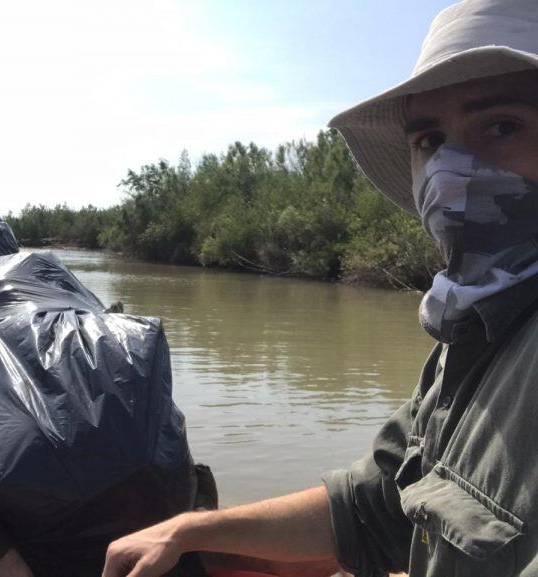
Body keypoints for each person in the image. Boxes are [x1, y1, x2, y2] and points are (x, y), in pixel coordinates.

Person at [102, 1, 538, 576]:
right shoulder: (472, 333)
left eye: (501, 126)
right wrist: (191, 529)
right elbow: (378, 505)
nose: (449, 173)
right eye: (430, 141)